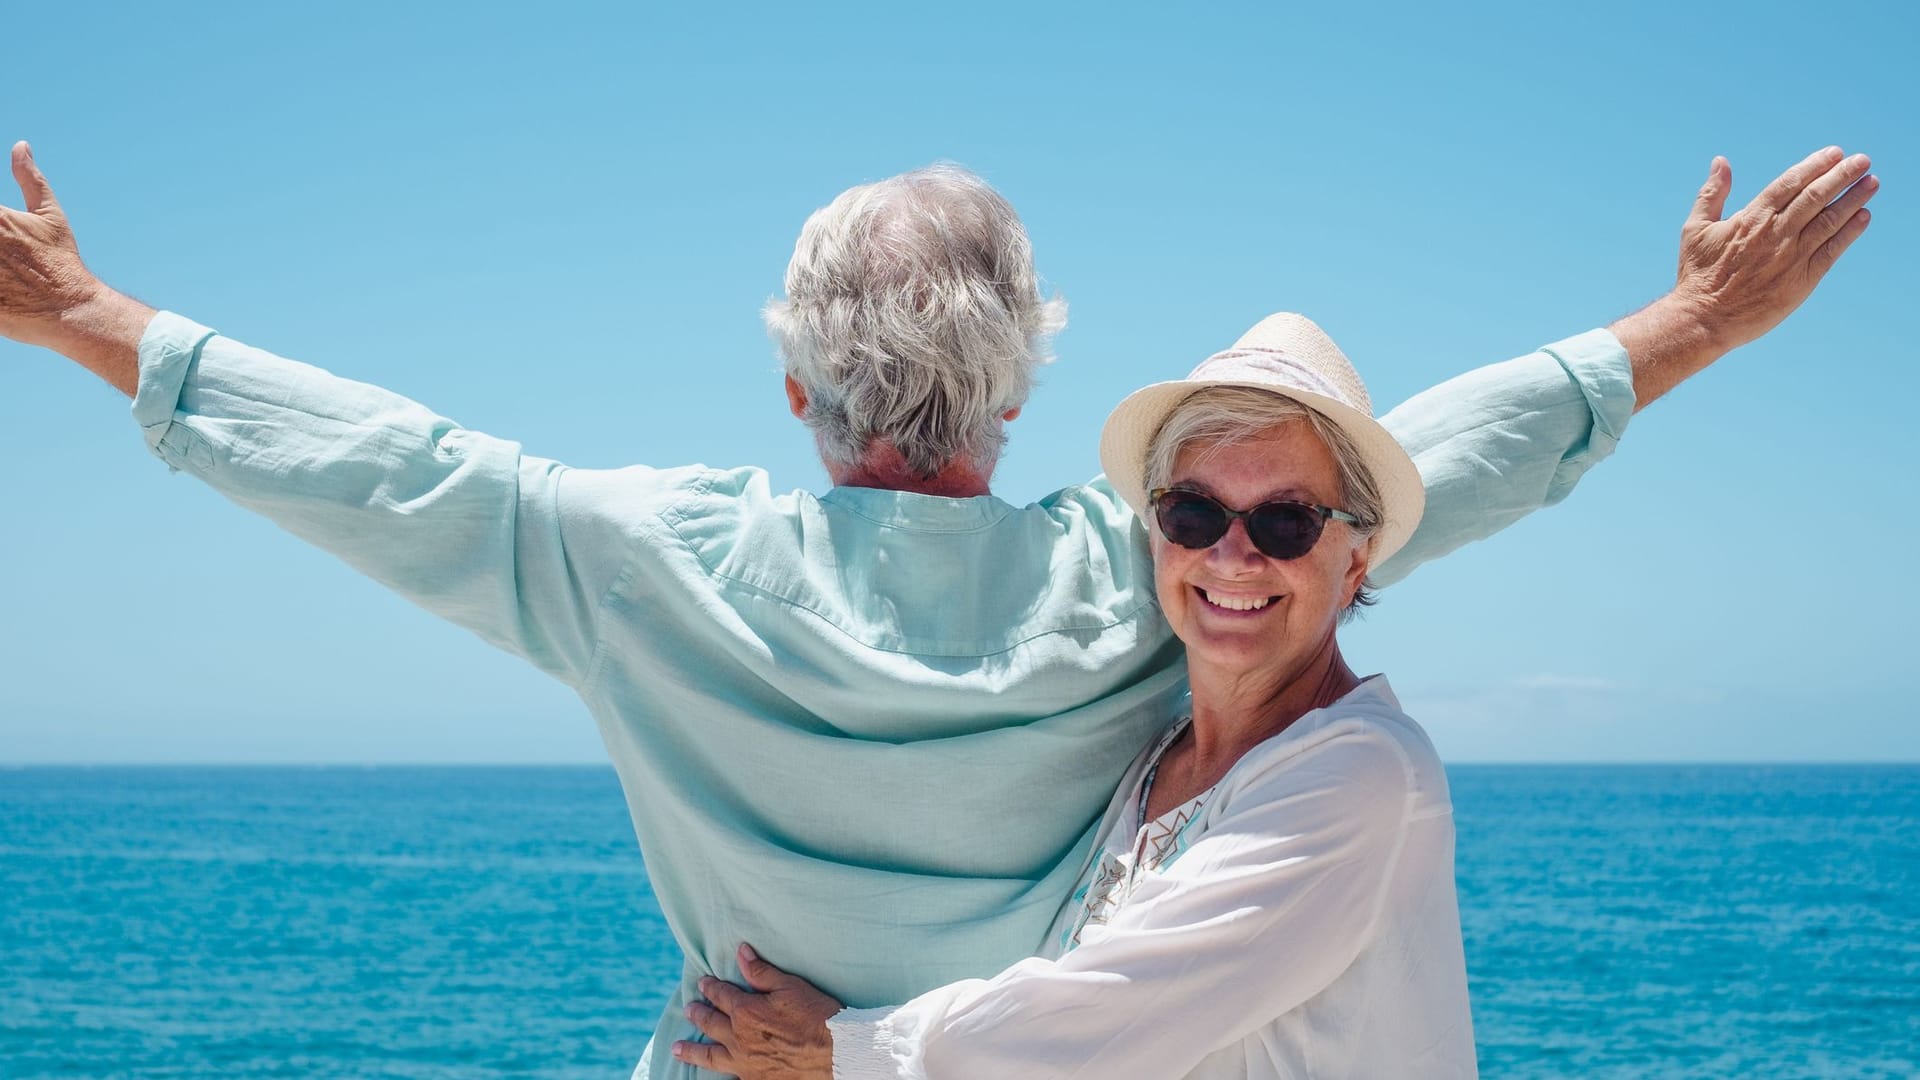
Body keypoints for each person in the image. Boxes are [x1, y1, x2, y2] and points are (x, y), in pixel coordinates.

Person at [0, 141, 1875, 1080]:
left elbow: (386, 465)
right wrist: (1690, 327)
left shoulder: (638, 560)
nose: (1238, 537)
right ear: (1022, 387)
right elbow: (1419, 465)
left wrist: (94, 322)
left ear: (798, 394)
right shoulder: (1140, 580)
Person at [675, 313, 1477, 1079]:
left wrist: (845, 1054)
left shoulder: (1363, 775)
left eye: (1287, 522)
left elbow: (1114, 1012)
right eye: (1193, 512)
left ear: (1357, 560)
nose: (1233, 556)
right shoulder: (1162, 760)